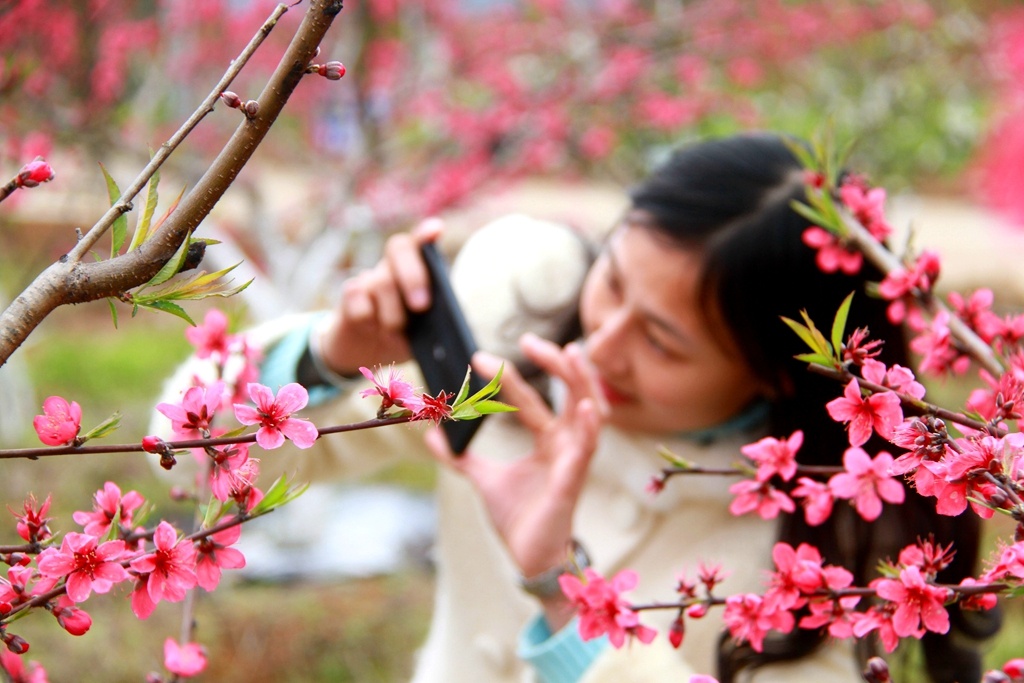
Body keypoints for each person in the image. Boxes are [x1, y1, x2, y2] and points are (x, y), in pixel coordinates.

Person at [156, 133, 993, 682]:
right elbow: (188, 452)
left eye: (662, 341)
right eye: (614, 280)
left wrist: (565, 592)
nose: (602, 340)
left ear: (775, 374)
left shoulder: (826, 539)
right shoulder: (515, 299)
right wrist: (328, 354)